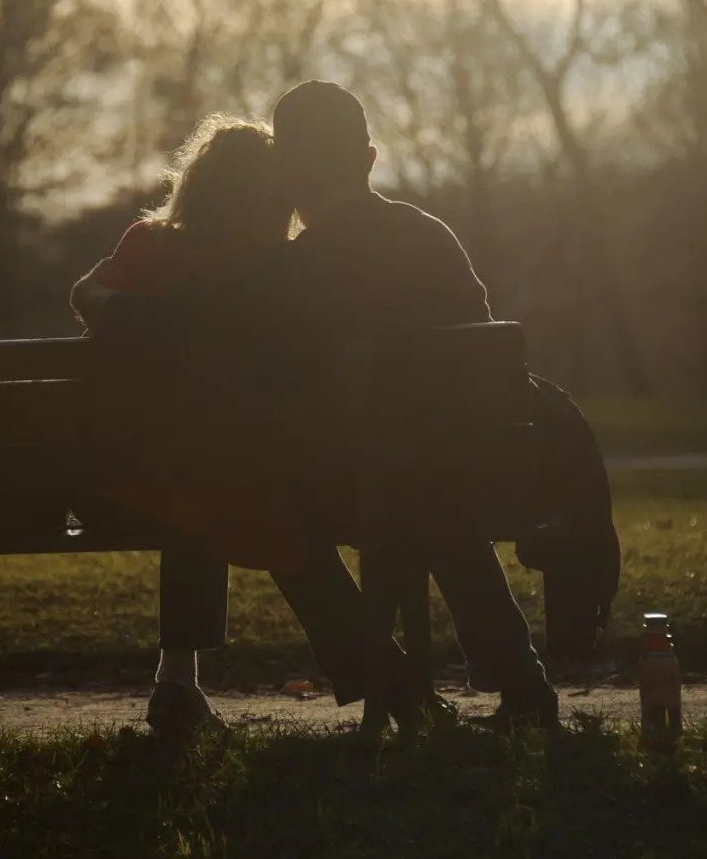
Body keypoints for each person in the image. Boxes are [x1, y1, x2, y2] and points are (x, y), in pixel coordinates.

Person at [77, 81, 559, 729]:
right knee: (438, 498)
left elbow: (184, 322)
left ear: (293, 176)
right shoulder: (429, 236)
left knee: (277, 502)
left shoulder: (292, 272)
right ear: (368, 161)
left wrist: (103, 302)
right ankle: (520, 686)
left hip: (355, 485)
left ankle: (383, 678)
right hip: (470, 474)